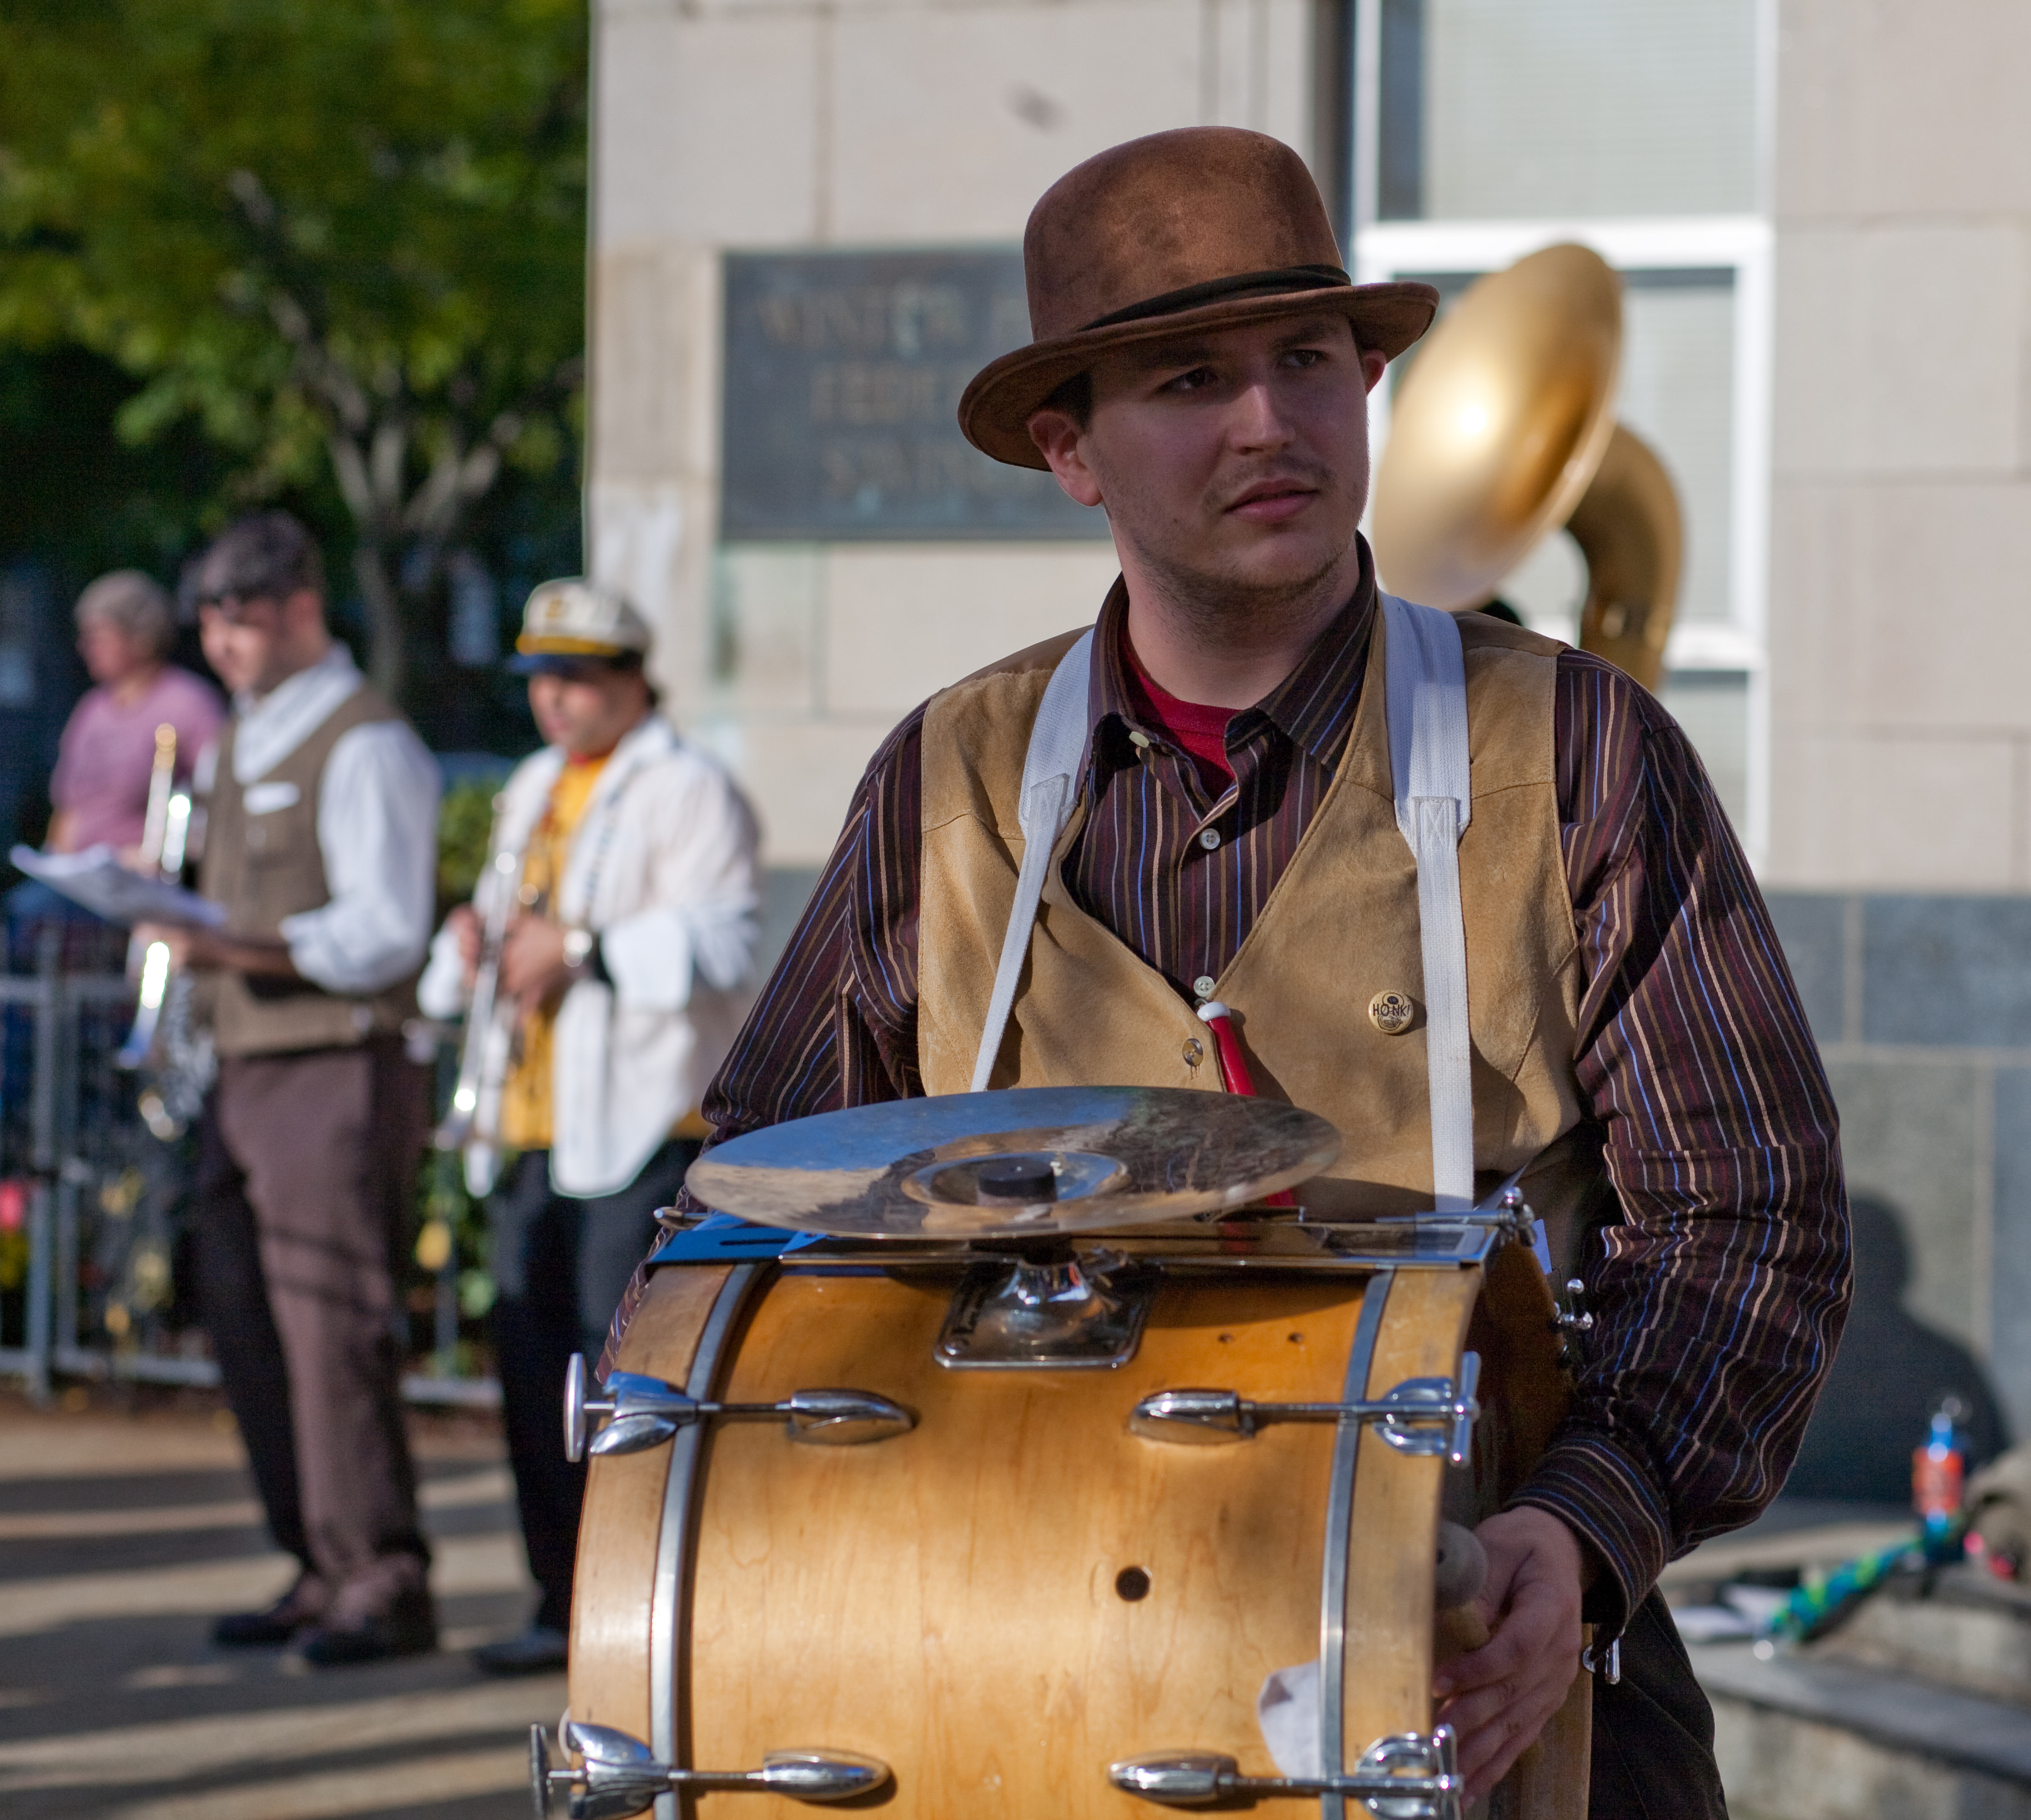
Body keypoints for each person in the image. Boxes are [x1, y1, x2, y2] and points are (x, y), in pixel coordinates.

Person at [695, 129, 1850, 1815]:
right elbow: (755, 1215)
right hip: (1024, 1661)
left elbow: (1753, 1213)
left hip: (1489, 1646)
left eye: (1305, 361)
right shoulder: (941, 781)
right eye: (1185, 379)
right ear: (1064, 446)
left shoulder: (1577, 746)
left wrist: (1580, 1530)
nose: (1267, 422)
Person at [418, 579, 759, 1676]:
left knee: (618, 1380)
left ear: (628, 681)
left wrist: (580, 947)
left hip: (639, 1120)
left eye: (576, 678)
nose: (554, 701)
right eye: (540, 680)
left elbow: (725, 943)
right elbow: (507, 922)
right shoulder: (528, 787)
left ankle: (630, 1611)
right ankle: (552, 1597)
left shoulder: (690, 787)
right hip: (531, 1114)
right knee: (529, 1374)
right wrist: (477, 943)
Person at [151, 511, 442, 1667]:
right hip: (244, 1066)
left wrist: (237, 950)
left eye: (241, 619)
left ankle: (383, 1573)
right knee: (249, 1321)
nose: (221, 645)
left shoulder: (364, 740)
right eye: (211, 625)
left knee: (331, 1327)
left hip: (333, 1058)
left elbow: (384, 932)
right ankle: (318, 1558)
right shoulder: (242, 735)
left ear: (300, 606)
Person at [48, 570, 226, 859]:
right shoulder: (91, 710)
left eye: (99, 638)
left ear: (140, 637)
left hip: (145, 882)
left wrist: (157, 855)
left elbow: (219, 801)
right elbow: (67, 808)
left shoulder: (188, 705)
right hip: (80, 878)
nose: (87, 649)